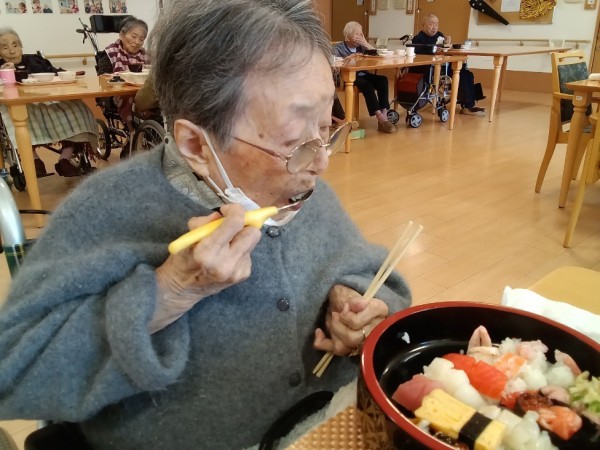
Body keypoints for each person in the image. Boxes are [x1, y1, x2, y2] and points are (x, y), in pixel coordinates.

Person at [0, 1, 411, 449]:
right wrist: (169, 293)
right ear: (196, 145)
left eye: (326, 125)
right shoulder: (105, 210)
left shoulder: (302, 189)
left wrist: (358, 303)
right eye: (296, 142)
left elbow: (369, 271)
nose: (322, 162)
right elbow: (13, 371)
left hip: (332, 428)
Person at [0, 27, 97, 177]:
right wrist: (4, 74)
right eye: (5, 47)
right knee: (17, 115)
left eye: (15, 45)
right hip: (23, 105)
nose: (12, 51)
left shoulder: (36, 60)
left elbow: (56, 72)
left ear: (21, 46)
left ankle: (65, 159)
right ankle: (34, 160)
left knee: (78, 107)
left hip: (49, 101)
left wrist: (69, 74)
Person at [411, 13, 486, 116]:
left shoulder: (439, 35)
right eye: (431, 24)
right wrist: (436, 49)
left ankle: (469, 105)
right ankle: (468, 106)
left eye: (436, 24)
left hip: (443, 66)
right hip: (428, 69)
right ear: (423, 25)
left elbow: (446, 51)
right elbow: (419, 53)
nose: (434, 27)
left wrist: (447, 44)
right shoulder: (418, 38)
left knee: (467, 74)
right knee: (461, 76)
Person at [333, 21, 397, 133]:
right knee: (366, 85)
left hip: (364, 73)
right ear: (348, 36)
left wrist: (366, 44)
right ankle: (380, 117)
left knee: (383, 80)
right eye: (357, 34)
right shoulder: (339, 48)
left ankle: (384, 115)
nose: (360, 36)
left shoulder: (362, 47)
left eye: (361, 33)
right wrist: (348, 59)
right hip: (350, 77)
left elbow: (379, 56)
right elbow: (335, 63)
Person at [97, 16, 149, 132]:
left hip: (142, 92)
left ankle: (152, 128)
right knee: (131, 98)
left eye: (141, 39)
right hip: (119, 94)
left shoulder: (146, 55)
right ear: (121, 35)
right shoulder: (110, 53)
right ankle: (134, 131)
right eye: (134, 36)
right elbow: (103, 78)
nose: (137, 42)